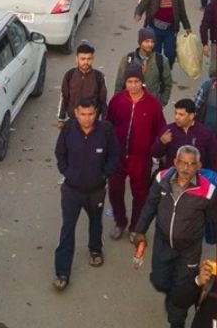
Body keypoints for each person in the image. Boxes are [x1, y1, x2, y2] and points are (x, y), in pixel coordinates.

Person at [135, 145, 217, 328]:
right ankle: (174, 296)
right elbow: (150, 204)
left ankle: (176, 320)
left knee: (181, 293)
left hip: (189, 250)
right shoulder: (161, 179)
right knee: (159, 281)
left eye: (191, 164)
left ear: (199, 166)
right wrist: (140, 231)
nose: (186, 168)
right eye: (182, 163)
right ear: (175, 162)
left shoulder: (208, 191)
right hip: (163, 243)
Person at [53, 97, 120, 290]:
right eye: (83, 114)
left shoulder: (105, 131)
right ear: (76, 113)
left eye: (91, 114)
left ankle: (95, 250)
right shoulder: (68, 129)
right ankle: (62, 272)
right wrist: (67, 172)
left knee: (96, 221)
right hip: (71, 190)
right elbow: (60, 153)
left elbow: (114, 155)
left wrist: (104, 174)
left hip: (96, 191)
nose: (87, 118)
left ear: (96, 113)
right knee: (67, 229)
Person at [107, 64, 167, 241]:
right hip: (117, 157)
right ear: (125, 82)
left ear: (143, 82)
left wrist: (159, 150)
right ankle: (120, 222)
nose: (133, 85)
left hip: (141, 158)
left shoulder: (153, 105)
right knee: (115, 191)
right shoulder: (117, 101)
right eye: (129, 81)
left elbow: (161, 130)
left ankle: (135, 227)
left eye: (136, 81)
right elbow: (108, 125)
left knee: (140, 194)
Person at [136, 0, 192, 73]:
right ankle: (156, 72)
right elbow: (142, 5)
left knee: (170, 53)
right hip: (154, 29)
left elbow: (182, 10)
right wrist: (138, 14)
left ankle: (167, 70)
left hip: (170, 29)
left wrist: (187, 26)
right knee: (155, 53)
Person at [115, 27, 174, 105]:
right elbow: (120, 82)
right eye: (147, 41)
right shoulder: (128, 59)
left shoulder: (161, 60)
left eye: (152, 42)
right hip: (129, 103)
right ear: (140, 42)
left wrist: (162, 103)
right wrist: (117, 102)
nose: (150, 44)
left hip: (151, 105)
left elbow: (167, 84)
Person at [154, 99, 215, 169]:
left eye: (181, 114)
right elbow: (156, 154)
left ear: (191, 116)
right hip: (172, 175)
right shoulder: (168, 130)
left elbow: (213, 158)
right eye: (176, 113)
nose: (176, 117)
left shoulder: (205, 133)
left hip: (195, 175)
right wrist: (161, 142)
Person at [58, 42, 108, 124]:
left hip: (92, 123)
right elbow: (64, 97)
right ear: (76, 59)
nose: (86, 62)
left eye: (89, 59)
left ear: (93, 59)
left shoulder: (99, 77)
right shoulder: (69, 75)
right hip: (73, 121)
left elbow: (104, 102)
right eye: (83, 59)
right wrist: (61, 118)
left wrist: (104, 123)